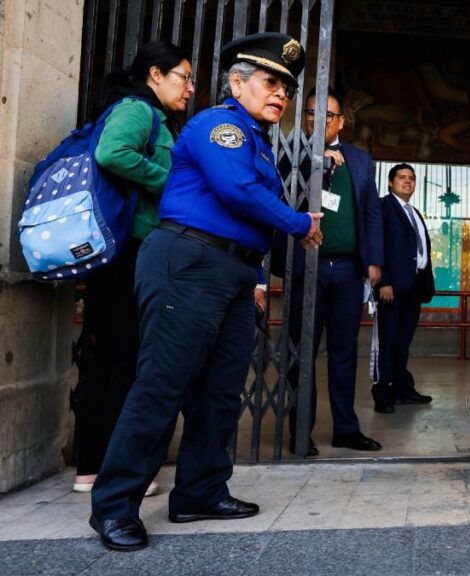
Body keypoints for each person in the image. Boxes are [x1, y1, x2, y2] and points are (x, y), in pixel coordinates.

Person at [89, 32, 324, 552]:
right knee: (160, 386)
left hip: (233, 272)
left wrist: (258, 275)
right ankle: (114, 507)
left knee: (219, 392)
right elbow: (236, 191)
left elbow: (247, 213)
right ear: (236, 83)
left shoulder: (256, 141)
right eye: (270, 81)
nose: (281, 94)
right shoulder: (222, 127)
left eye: (286, 86)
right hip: (189, 262)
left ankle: (199, 491)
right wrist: (299, 222)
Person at [72, 40, 194, 496]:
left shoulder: (146, 112)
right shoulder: (138, 110)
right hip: (128, 251)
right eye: (183, 76)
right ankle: (117, 470)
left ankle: (92, 467)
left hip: (121, 252)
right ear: (155, 75)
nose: (189, 87)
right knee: (127, 362)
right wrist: (172, 183)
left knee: (109, 359)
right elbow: (111, 153)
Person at [268, 86, 384, 453]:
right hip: (307, 266)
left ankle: (346, 428)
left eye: (327, 116)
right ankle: (300, 430)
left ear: (342, 122)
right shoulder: (288, 155)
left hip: (348, 270)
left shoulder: (361, 161)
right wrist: (314, 161)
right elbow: (278, 195)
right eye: (311, 114)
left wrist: (375, 260)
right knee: (301, 350)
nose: (319, 122)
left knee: (344, 352)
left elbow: (371, 213)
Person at [375, 164, 436, 412]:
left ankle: (402, 389)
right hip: (392, 286)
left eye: (411, 178)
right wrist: (384, 280)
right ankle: (382, 394)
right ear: (390, 183)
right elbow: (378, 244)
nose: (408, 181)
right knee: (388, 341)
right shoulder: (383, 207)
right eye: (402, 177)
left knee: (403, 342)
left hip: (414, 286)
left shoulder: (415, 212)